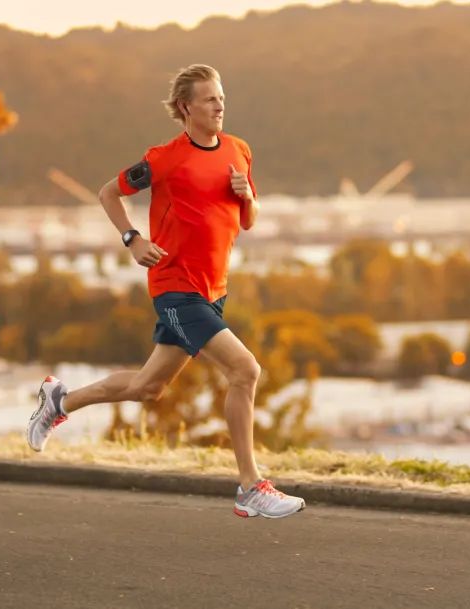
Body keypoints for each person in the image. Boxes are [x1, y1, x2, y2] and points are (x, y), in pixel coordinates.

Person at [26, 64, 305, 520]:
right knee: (245, 371)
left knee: (147, 387)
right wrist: (132, 238)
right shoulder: (164, 159)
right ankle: (250, 486)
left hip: (213, 290)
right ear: (185, 107)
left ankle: (60, 401)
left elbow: (248, 219)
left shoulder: (238, 151)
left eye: (222, 97)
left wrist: (246, 196)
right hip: (175, 287)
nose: (219, 106)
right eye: (210, 99)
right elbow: (107, 193)